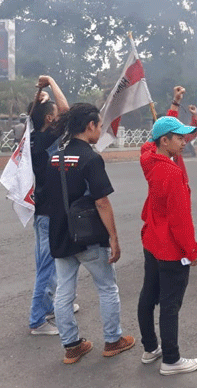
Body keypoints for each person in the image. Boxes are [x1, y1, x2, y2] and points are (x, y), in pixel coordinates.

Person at [43, 103, 134, 364]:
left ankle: (72, 346)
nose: (101, 129)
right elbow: (101, 202)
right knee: (107, 288)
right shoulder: (91, 158)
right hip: (88, 235)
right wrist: (114, 238)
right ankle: (113, 340)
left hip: (60, 232)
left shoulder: (54, 155)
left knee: (64, 292)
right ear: (90, 126)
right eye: (99, 125)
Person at [137, 115, 197, 375]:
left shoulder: (149, 158)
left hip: (152, 240)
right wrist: (192, 251)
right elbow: (180, 221)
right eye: (179, 137)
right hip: (170, 248)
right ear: (164, 141)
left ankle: (150, 347)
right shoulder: (172, 172)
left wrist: (172, 111)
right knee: (169, 304)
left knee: (148, 295)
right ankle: (172, 360)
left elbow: (149, 140)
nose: (185, 141)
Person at [27, 76, 77, 336]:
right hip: (48, 211)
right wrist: (52, 82)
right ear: (49, 119)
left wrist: (39, 95)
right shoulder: (47, 139)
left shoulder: (32, 138)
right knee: (47, 267)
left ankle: (48, 307)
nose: (57, 116)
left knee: (46, 264)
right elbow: (67, 111)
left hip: (41, 209)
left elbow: (34, 114)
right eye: (53, 114)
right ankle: (37, 321)